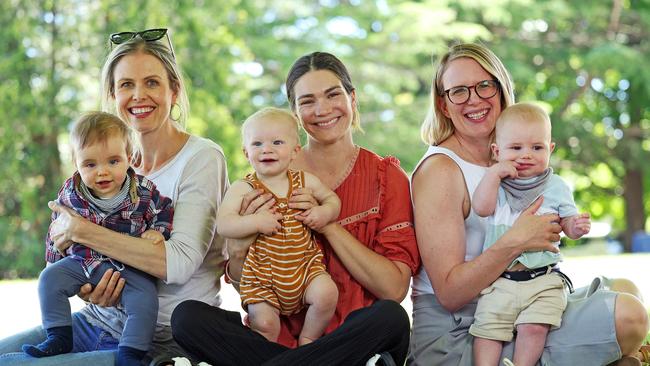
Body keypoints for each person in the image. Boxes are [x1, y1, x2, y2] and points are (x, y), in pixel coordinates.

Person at [171, 51, 420, 366]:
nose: (322, 109)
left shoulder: (386, 177)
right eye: (307, 101)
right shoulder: (260, 180)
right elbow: (241, 281)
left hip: (352, 339)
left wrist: (327, 224)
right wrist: (238, 250)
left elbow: (393, 289)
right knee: (187, 318)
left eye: (333, 95)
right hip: (278, 339)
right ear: (294, 113)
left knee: (391, 318)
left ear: (352, 98)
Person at [407, 42, 649, 366]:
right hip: (465, 332)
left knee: (627, 287)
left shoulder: (516, 155)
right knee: (630, 318)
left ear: (501, 87)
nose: (474, 99)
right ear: (443, 104)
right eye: (459, 91)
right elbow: (450, 295)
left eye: (484, 85)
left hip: (522, 304)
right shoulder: (441, 169)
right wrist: (517, 239)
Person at [0, 28, 229, 366]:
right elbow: (60, 251)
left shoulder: (202, 158)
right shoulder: (105, 165)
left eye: (152, 83)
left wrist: (84, 232)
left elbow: (177, 263)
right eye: (126, 85)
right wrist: (84, 284)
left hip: (160, 340)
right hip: (95, 321)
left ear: (174, 91)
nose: (139, 95)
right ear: (112, 94)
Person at [22, 111, 173, 366]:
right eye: (90, 165)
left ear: (129, 157)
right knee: (48, 279)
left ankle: (131, 352)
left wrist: (158, 231)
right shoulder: (71, 192)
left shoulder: (143, 191)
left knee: (145, 299)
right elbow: (56, 229)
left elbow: (164, 209)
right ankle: (59, 336)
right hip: (84, 262)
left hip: (129, 267)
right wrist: (54, 260)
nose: (102, 172)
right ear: (77, 163)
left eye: (113, 161)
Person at [469, 102, 591, 366]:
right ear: (497, 150)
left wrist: (576, 228)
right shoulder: (498, 184)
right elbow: (481, 207)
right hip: (500, 280)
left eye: (537, 147)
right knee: (487, 331)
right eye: (515, 148)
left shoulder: (556, 186)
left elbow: (567, 224)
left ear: (551, 149)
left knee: (535, 327)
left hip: (542, 280)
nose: (526, 155)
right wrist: (494, 174)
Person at [217, 107, 340, 345]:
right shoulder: (244, 188)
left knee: (327, 294)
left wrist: (323, 212)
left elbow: (333, 200)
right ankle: (267, 355)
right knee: (264, 324)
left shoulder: (304, 181)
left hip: (305, 270)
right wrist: (255, 221)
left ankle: (308, 340)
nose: (266, 149)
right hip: (262, 278)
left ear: (295, 151)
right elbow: (223, 224)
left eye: (277, 142)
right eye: (257, 144)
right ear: (245, 152)